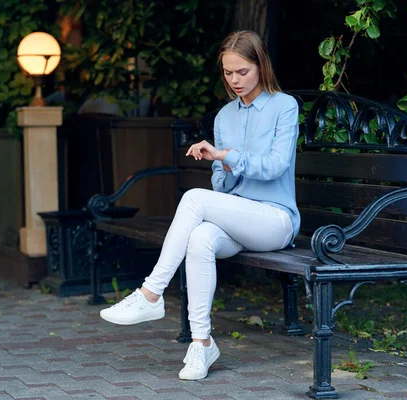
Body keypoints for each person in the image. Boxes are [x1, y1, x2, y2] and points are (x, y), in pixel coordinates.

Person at [99, 30, 301, 381]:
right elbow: (223, 187)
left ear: (260, 66)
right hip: (237, 215)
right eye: (228, 73)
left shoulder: (284, 106)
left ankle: (151, 293)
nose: (235, 80)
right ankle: (201, 342)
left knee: (193, 199)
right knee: (201, 238)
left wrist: (227, 155)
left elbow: (276, 166)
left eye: (243, 71)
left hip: (275, 219)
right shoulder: (224, 116)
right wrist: (219, 165)